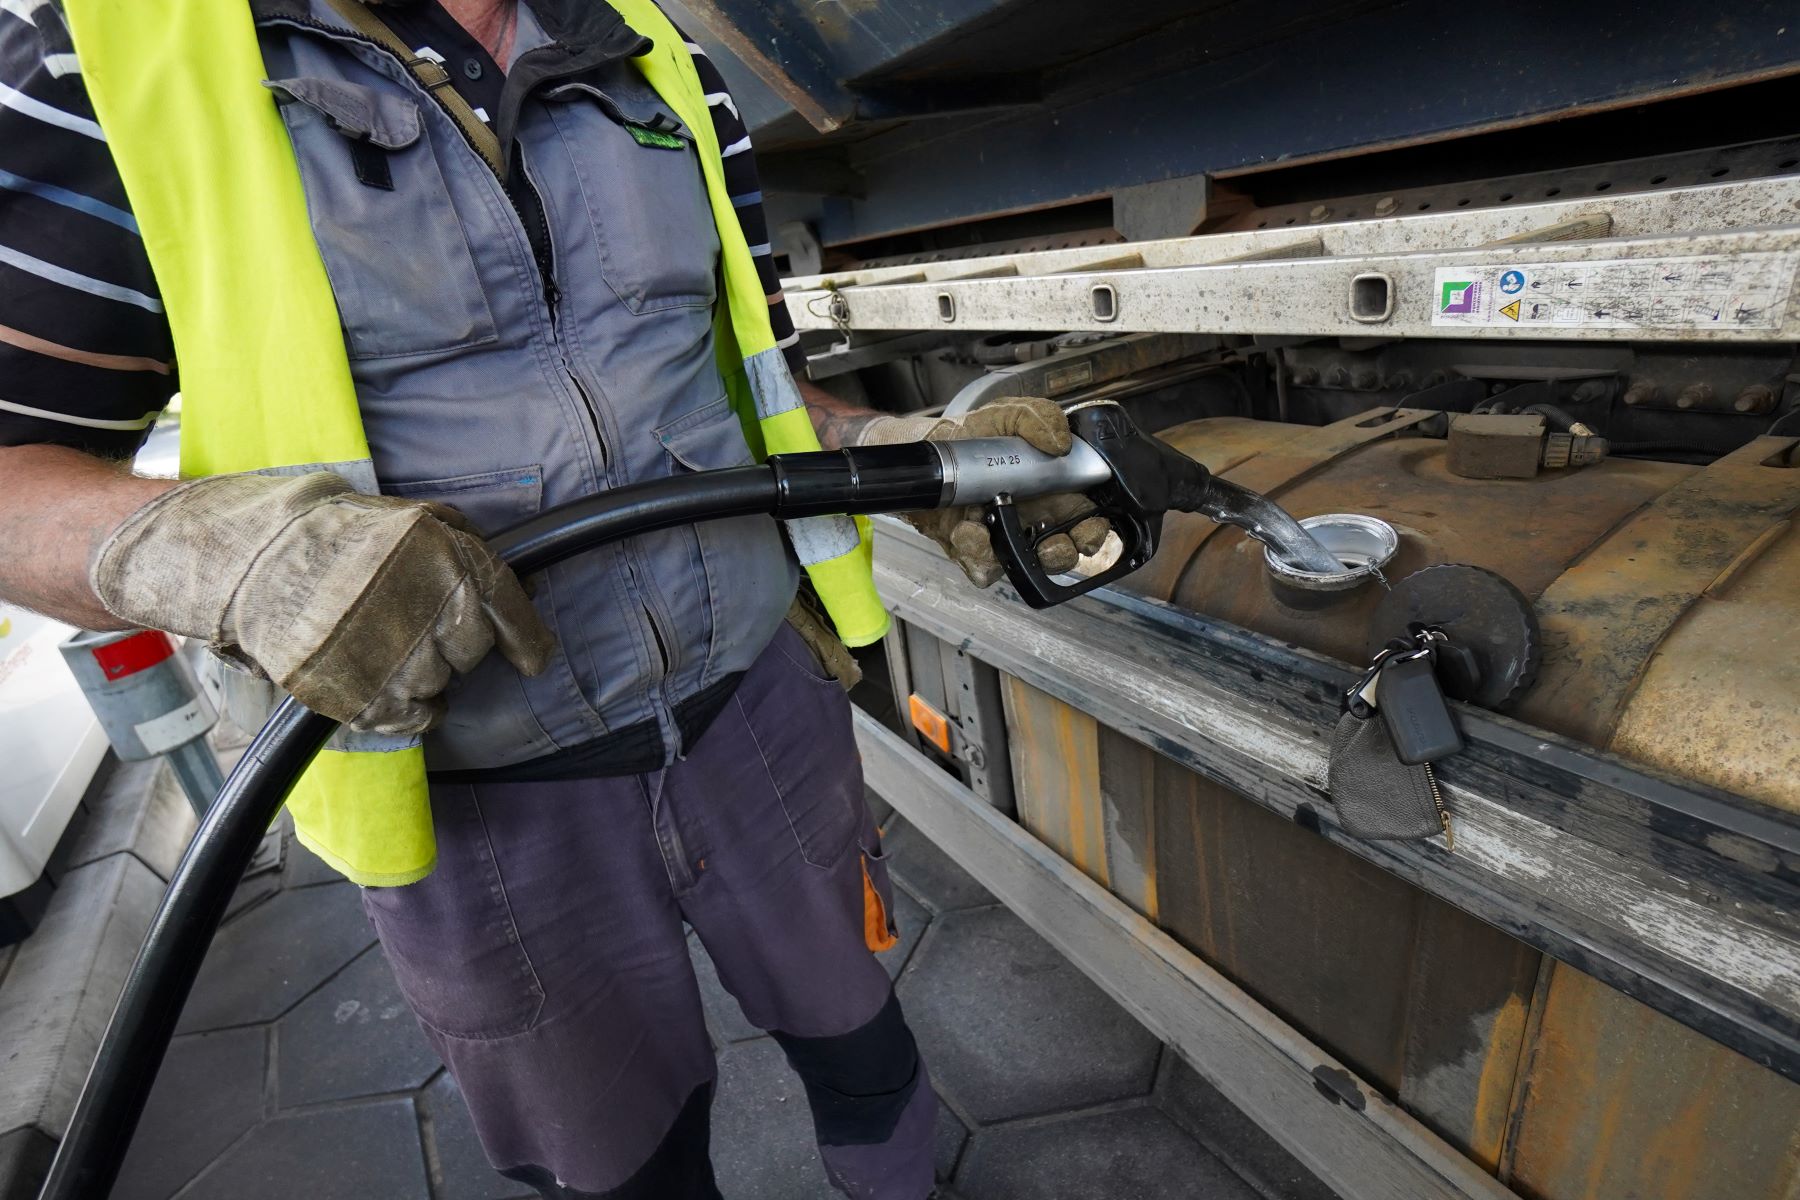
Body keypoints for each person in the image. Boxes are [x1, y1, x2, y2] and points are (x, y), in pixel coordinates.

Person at [0, 1, 1103, 1195]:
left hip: (760, 714)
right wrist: (229, 557)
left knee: (862, 1043)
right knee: (623, 1164)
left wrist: (907, 449)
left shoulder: (651, 44)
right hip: (480, 798)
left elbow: (743, 376)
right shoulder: (107, 57)